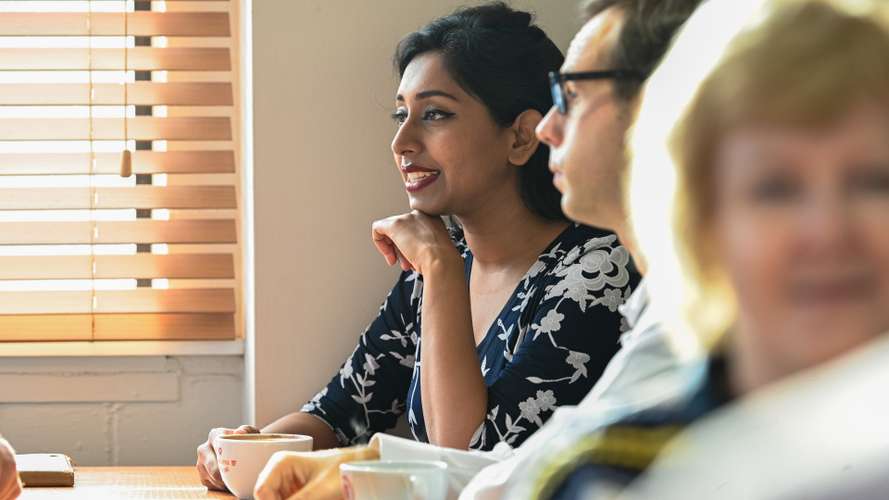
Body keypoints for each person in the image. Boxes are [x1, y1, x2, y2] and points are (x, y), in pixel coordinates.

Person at [252, 1, 704, 499]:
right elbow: (344, 411)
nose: (401, 141)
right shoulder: (445, 258)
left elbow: (471, 461)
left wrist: (440, 268)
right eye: (402, 114)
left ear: (519, 136)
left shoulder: (597, 272)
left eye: (436, 114)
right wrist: (248, 450)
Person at [517, 0, 889, 498]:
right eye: (775, 188)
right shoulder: (606, 478)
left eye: (874, 182)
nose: (828, 230)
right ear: (700, 219)